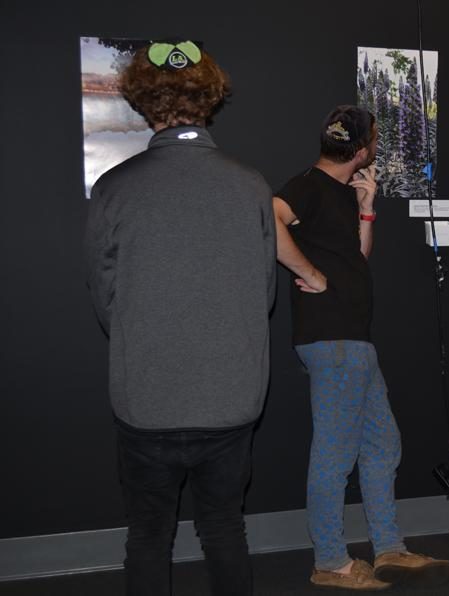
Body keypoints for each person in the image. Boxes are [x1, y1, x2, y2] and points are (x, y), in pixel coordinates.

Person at [84, 41, 275, 595]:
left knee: (147, 535)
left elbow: (105, 300)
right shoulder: (250, 185)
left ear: (145, 104)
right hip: (230, 400)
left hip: (147, 400)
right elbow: (263, 295)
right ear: (209, 99)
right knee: (224, 528)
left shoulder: (115, 189)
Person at [273, 105, 449, 591]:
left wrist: (368, 207)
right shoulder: (307, 185)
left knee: (382, 446)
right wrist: (307, 273)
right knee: (334, 456)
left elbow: (357, 257)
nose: (377, 143)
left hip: (354, 340)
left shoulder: (342, 190)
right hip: (332, 340)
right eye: (374, 138)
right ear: (360, 150)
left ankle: (389, 549)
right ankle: (330, 561)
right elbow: (268, 220)